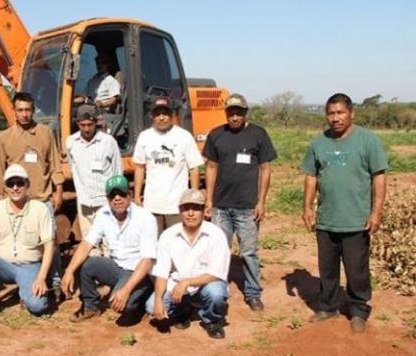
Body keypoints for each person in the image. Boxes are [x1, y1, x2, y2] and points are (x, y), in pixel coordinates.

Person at [301, 93, 387, 333]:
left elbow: (378, 178)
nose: (335, 118)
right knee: (327, 268)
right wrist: (307, 207)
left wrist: (376, 212)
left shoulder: (368, 140)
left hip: (356, 219)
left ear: (351, 113)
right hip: (327, 219)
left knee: (356, 270)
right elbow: (311, 176)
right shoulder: (319, 142)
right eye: (331, 113)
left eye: (340, 113)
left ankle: (359, 310)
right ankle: (329, 307)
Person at [203, 93, 277, 312]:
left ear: (245, 113)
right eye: (231, 113)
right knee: (219, 251)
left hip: (247, 206)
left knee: (249, 252)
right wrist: (209, 200)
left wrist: (261, 201)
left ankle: (253, 293)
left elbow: (265, 169)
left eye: (239, 113)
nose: (235, 117)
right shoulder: (216, 135)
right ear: (226, 113)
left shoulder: (258, 134)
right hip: (221, 206)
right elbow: (211, 167)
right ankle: (219, 290)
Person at [61, 175, 156, 325]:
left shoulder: (145, 217)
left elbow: (147, 261)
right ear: (107, 198)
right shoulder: (103, 214)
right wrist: (69, 271)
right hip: (116, 267)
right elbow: (87, 244)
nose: (117, 198)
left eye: (122, 194)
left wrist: (126, 290)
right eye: (112, 195)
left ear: (130, 195)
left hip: (138, 271)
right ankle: (90, 307)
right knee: (87, 264)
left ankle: (140, 301)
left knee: (120, 306)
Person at [0, 92, 64, 292]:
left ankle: (55, 279)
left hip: (41, 197)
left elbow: (54, 164)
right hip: (16, 201)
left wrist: (58, 191)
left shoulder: (45, 132)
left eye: (27, 110)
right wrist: (1, 197)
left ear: (33, 111)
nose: (24, 114)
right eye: (20, 110)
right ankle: (25, 284)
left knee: (50, 241)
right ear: (14, 111)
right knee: (23, 244)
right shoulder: (5, 137)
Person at [0, 164, 54, 323]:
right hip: (4, 265)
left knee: (38, 306)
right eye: (11, 184)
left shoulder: (40, 209)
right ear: (5, 187)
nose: (15, 188)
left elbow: (49, 246)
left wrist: (42, 278)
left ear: (27, 185)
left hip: (29, 265)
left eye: (20, 183)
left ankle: (27, 291)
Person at [146, 189, 230, 339]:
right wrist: (158, 300)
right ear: (180, 211)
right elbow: (162, 272)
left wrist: (187, 282)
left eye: (196, 208)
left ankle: (211, 320)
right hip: (178, 285)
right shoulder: (168, 235)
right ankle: (182, 310)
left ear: (204, 211)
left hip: (207, 283)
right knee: (152, 306)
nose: (190, 213)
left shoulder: (216, 234)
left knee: (216, 293)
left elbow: (217, 273)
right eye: (186, 209)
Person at [133, 97, 204, 233]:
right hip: (152, 205)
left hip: (177, 205)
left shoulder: (184, 136)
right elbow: (140, 167)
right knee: (154, 244)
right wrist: (137, 196)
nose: (161, 118)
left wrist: (193, 196)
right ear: (151, 116)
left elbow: (194, 168)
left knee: (178, 242)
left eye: (165, 114)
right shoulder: (144, 137)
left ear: (172, 115)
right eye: (158, 114)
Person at [65, 105, 122, 251]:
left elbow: (117, 173)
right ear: (77, 123)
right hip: (84, 202)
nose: (86, 129)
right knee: (90, 244)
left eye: (90, 124)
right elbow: (74, 169)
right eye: (82, 125)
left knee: (109, 243)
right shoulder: (71, 142)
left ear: (95, 122)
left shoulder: (108, 142)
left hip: (105, 201)